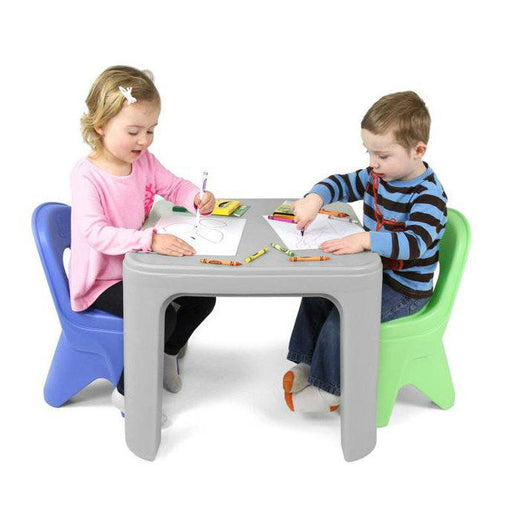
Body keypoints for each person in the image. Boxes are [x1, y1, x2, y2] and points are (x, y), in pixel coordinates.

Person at [285, 91, 447, 412]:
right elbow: (341, 183)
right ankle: (308, 361)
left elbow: (414, 243)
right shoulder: (378, 176)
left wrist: (366, 240)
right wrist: (315, 199)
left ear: (418, 150)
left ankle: (331, 389)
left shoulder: (428, 196)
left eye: (382, 155)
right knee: (318, 293)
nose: (373, 162)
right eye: (369, 152)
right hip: (374, 273)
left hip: (404, 290)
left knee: (345, 314)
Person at [70, 65, 217, 416]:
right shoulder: (87, 175)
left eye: (151, 130)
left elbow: (174, 186)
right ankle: (128, 392)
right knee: (159, 313)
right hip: (102, 282)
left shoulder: (145, 162)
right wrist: (150, 240)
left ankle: (167, 353)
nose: (144, 140)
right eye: (134, 131)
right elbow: (96, 233)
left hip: (138, 267)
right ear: (100, 125)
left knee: (203, 296)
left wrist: (196, 197)